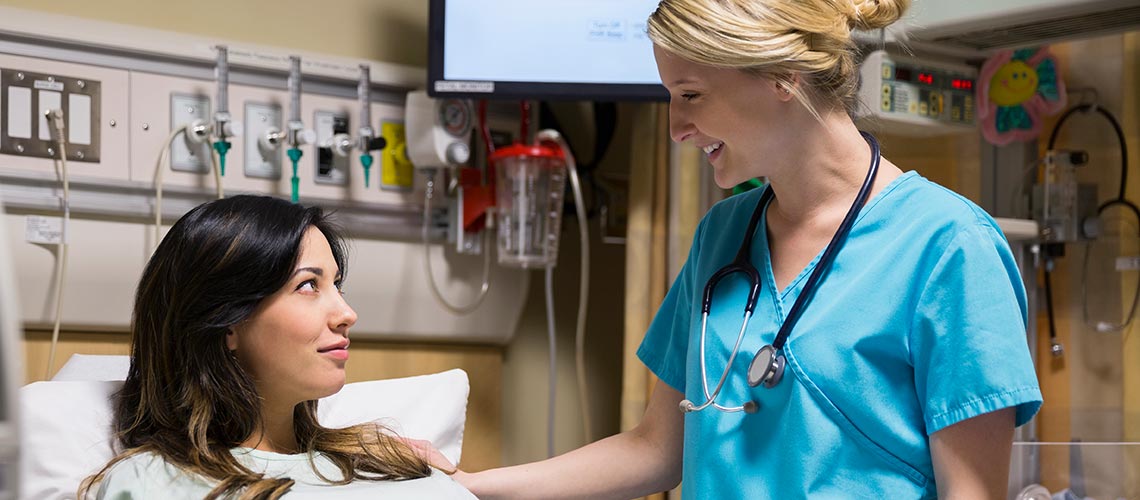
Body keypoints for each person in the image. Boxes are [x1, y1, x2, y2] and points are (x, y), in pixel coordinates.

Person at [435, 0, 1043, 498]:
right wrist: (470, 488)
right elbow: (655, 449)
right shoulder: (722, 237)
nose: (675, 127)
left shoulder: (950, 248)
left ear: (783, 75)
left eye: (691, 95)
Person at [79, 195, 473, 499]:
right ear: (227, 322)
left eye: (337, 286)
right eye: (308, 286)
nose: (347, 313)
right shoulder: (154, 483)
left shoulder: (386, 460)